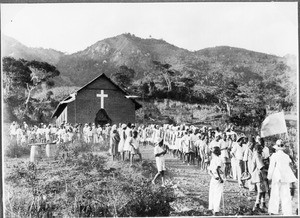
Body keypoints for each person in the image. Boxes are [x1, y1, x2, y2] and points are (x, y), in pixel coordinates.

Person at [267, 139, 297, 215]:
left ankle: (273, 210)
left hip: (276, 175)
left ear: (276, 148)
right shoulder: (286, 156)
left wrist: (269, 177)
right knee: (285, 193)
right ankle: (287, 211)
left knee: (275, 193)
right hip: (284, 176)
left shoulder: (274, 156)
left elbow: (271, 167)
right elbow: (289, 165)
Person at [251, 143, 268, 212]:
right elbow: (260, 167)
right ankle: (256, 205)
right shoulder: (257, 155)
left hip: (260, 174)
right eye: (261, 149)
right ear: (258, 149)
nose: (262, 150)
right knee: (260, 191)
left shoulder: (259, 155)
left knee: (263, 190)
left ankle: (263, 203)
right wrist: (267, 171)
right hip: (258, 174)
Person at [208, 146, 224, 216]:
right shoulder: (219, 159)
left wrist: (214, 177)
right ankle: (216, 210)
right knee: (217, 194)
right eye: (219, 150)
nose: (220, 151)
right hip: (218, 176)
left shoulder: (212, 160)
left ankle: (211, 208)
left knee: (212, 193)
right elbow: (217, 169)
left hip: (214, 178)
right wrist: (220, 178)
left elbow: (209, 171)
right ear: (217, 152)